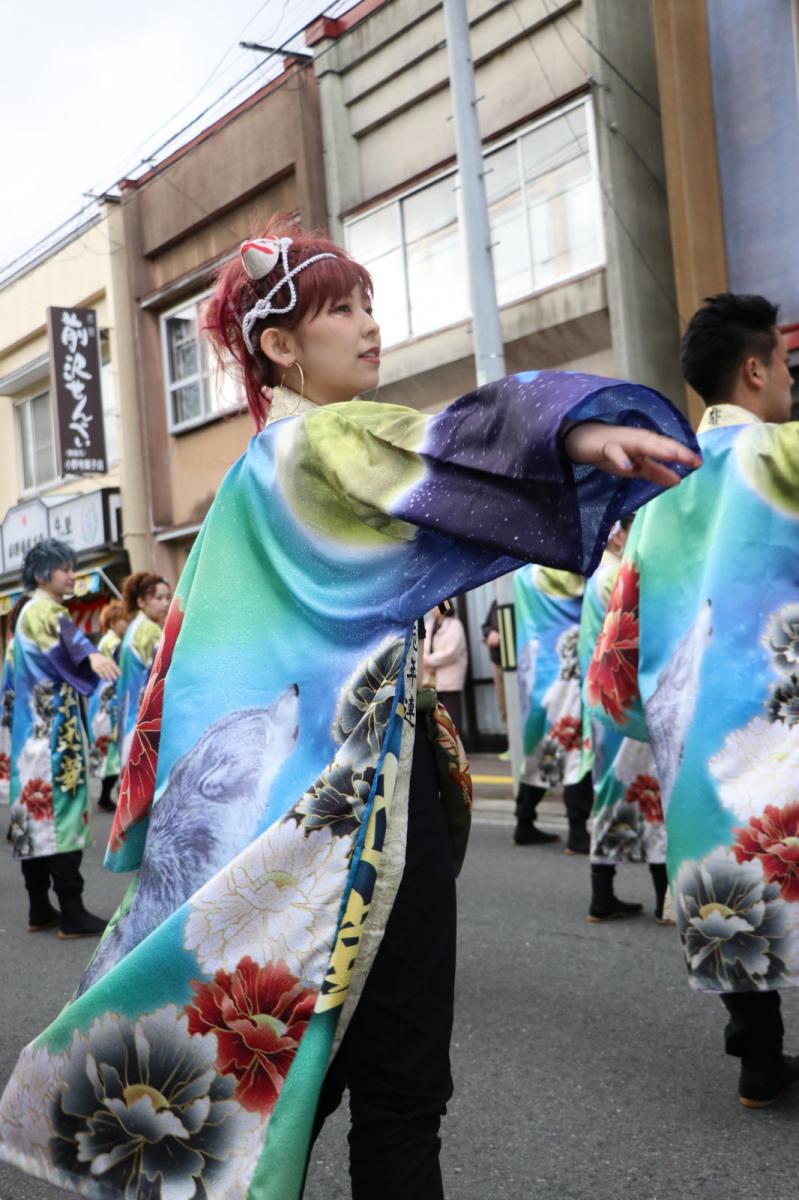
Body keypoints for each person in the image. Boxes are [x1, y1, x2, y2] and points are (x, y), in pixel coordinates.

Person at [0, 215, 699, 1200]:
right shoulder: (325, 443)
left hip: (284, 824)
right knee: (398, 1088)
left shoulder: (258, 474)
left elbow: (183, 682)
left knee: (299, 1074)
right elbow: (446, 445)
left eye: (370, 303)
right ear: (279, 345)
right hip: (360, 811)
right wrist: (568, 431)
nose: (369, 325)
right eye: (342, 309)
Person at [586, 293, 799, 1108]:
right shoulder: (780, 455)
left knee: (732, 883)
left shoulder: (656, 485)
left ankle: (755, 1056)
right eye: (781, 362)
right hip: (783, 710)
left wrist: (659, 726)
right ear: (752, 369)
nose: (786, 378)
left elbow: (619, 642)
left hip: (699, 729)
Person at [7, 540, 119, 938]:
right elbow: (70, 639)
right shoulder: (45, 609)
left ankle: (40, 908)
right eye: (66, 569)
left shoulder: (21, 615)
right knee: (63, 820)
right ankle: (72, 911)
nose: (73, 575)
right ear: (43, 575)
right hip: (54, 737)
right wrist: (92, 657)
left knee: (33, 823)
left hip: (28, 737)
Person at [578, 520, 670, 923]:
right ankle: (667, 901)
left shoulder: (599, 573)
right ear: (618, 532)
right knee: (652, 799)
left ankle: (603, 895)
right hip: (629, 704)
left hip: (604, 705)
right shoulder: (618, 574)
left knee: (611, 796)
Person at [513, 564, 594, 852]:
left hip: (534, 672)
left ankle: (524, 821)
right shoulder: (572, 569)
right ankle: (577, 829)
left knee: (539, 749)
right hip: (566, 670)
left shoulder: (521, 573)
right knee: (573, 749)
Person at [116, 571, 170, 769]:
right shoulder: (150, 630)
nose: (165, 604)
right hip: (147, 720)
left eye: (167, 598)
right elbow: (166, 672)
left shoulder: (133, 628)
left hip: (130, 718)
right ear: (141, 602)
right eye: (158, 598)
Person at [87, 599, 129, 812]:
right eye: (124, 620)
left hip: (105, 699)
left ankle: (106, 797)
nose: (127, 624)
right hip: (108, 701)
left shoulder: (109, 640)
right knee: (112, 750)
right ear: (113, 623)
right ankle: (106, 797)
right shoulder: (112, 642)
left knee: (111, 753)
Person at [424, 601, 468, 731]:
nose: (433, 609)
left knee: (451, 717)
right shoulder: (428, 625)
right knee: (434, 719)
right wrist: (426, 661)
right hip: (430, 680)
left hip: (449, 680)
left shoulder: (455, 625)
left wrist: (428, 661)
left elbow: (451, 652)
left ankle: (456, 749)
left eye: (436, 605)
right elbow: (421, 649)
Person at [481, 599, 508, 754]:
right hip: (498, 661)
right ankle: (511, 742)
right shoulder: (496, 602)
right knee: (503, 705)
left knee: (515, 704)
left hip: (515, 662)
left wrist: (501, 635)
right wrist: (490, 633)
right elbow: (485, 626)